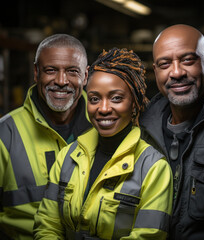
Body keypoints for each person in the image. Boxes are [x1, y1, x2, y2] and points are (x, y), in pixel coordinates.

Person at [34, 47, 173, 239]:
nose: (104, 108)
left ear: (134, 104)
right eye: (94, 99)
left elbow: (147, 236)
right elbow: (47, 226)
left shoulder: (153, 168)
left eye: (116, 98)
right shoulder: (67, 156)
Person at [139, 24, 204, 240]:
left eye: (187, 60)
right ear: (155, 70)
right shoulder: (141, 124)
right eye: (165, 64)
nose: (176, 73)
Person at [0, 34, 92, 239]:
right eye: (51, 70)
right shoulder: (5, 134)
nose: (61, 81)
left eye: (72, 71)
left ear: (85, 76)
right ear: (36, 73)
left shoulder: (105, 129)